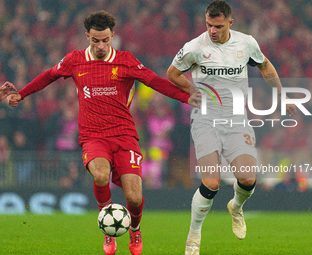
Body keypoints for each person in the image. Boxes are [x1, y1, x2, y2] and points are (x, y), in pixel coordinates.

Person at [7, 10, 200, 255]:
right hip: (93, 136)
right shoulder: (75, 60)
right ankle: (108, 231)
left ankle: (136, 229)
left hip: (124, 135)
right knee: (100, 175)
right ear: (87, 36)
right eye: (95, 40)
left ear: (112, 36)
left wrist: (185, 97)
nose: (100, 46)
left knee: (134, 197)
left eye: (105, 40)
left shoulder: (126, 60)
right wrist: (21, 93)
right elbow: (49, 76)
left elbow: (154, 81)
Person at [166, 1, 296, 254]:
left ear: (230, 23)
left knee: (247, 178)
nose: (212, 31)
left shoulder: (246, 43)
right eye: (208, 25)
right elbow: (172, 73)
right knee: (211, 182)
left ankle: (236, 207)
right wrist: (190, 90)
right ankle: (193, 237)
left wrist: (283, 96)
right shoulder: (194, 48)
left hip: (236, 119)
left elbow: (265, 66)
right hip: (205, 119)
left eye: (217, 26)